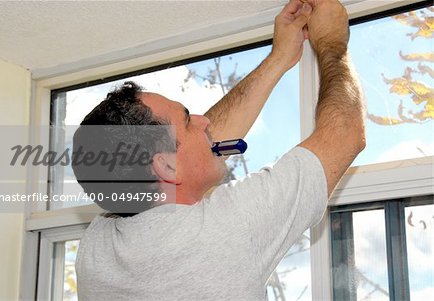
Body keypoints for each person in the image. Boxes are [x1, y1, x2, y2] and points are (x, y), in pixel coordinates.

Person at [74, 0, 366, 300]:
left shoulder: (96, 249)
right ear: (167, 168)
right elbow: (343, 136)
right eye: (188, 121)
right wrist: (331, 43)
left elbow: (192, 154)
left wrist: (279, 58)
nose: (204, 121)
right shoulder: (227, 228)